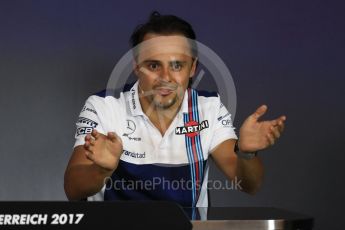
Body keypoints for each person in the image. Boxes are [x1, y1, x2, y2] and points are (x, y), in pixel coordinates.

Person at [64, 11, 286, 207]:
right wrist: (102, 170)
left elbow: (249, 185)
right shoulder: (104, 105)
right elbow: (73, 189)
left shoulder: (209, 108)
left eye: (177, 65)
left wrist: (246, 154)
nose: (165, 78)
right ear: (136, 67)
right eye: (153, 66)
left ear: (193, 68)